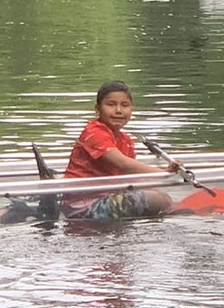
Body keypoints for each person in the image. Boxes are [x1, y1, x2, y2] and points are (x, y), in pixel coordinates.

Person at [62, 81, 180, 220]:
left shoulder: (125, 140)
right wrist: (164, 173)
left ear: (131, 110)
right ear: (97, 109)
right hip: (82, 206)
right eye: (111, 104)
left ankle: (172, 211)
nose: (118, 110)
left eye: (124, 105)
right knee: (153, 200)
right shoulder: (94, 132)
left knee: (160, 196)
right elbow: (122, 163)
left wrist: (164, 196)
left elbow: (132, 174)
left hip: (105, 197)